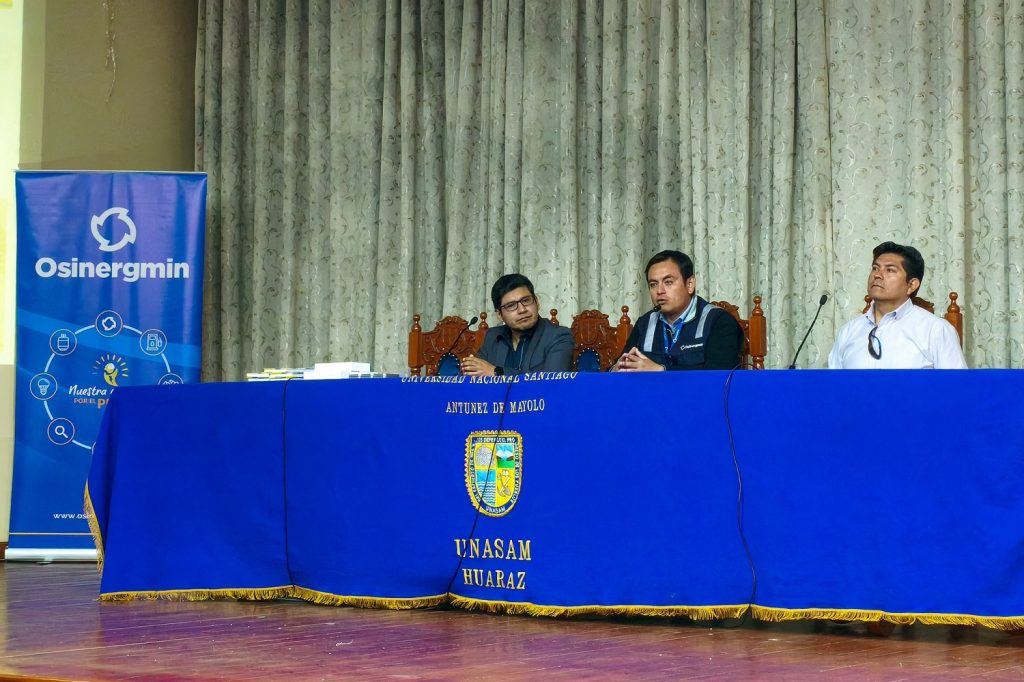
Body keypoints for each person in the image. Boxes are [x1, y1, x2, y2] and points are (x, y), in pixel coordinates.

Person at [828, 241, 966, 369]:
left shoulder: (936, 330)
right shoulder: (848, 332)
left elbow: (957, 389)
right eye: (875, 268)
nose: (877, 275)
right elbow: (832, 388)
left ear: (911, 285)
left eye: (890, 270)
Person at [614, 250, 743, 371]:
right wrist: (616, 369)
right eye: (653, 284)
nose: (659, 291)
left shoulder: (719, 321)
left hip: (699, 395)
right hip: (650, 394)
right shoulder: (645, 323)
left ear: (690, 285)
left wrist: (661, 371)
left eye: (668, 282)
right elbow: (620, 367)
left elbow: (718, 378)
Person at [460, 274, 574, 376]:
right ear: (499, 314)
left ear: (537, 302)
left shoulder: (559, 336)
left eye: (526, 300)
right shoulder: (492, 337)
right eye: (511, 306)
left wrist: (497, 372)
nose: (522, 309)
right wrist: (471, 368)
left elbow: (551, 382)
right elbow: (478, 377)